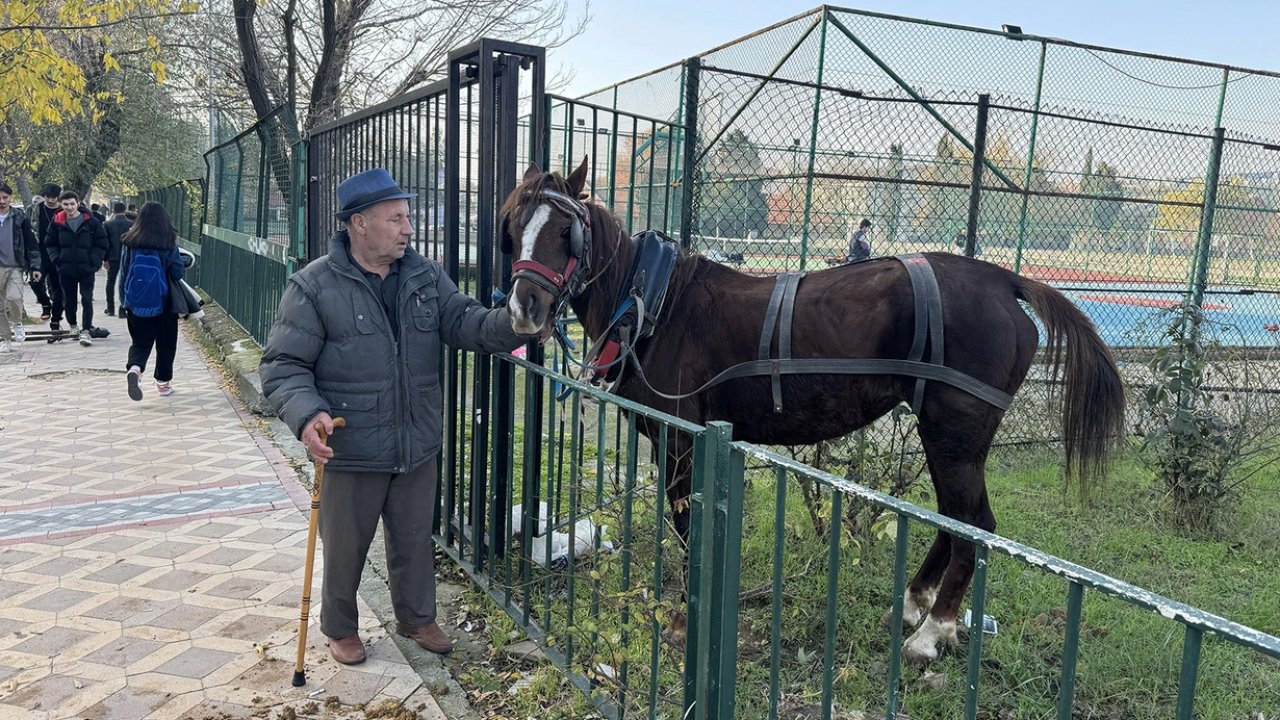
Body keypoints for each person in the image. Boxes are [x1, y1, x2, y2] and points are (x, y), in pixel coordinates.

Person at [260, 168, 532, 665]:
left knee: (412, 540)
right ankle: (340, 627)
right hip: (351, 445)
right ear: (359, 224)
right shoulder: (314, 285)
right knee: (345, 548)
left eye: (408, 218)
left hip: (415, 438)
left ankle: (416, 617)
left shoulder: (425, 276)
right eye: (398, 219)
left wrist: (517, 322)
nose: (409, 228)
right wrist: (306, 416)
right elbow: (283, 366)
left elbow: (466, 321)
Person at [119, 202, 186, 400]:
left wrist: (124, 301)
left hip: (136, 301)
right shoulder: (168, 241)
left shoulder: (130, 241)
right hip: (164, 302)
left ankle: (135, 369)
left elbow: (124, 273)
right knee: (166, 343)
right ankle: (163, 384)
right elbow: (177, 271)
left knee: (140, 341)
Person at [46, 190, 108, 346]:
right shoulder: (57, 222)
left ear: (78, 203)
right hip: (66, 268)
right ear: (61, 204)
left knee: (87, 299)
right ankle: (73, 326)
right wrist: (57, 259)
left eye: (72, 204)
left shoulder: (91, 222)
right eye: (65, 204)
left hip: (86, 268)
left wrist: (94, 260)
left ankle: (86, 330)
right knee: (70, 300)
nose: (69, 207)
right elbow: (50, 243)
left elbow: (102, 243)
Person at [0, 183, 41, 353]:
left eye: (4, 197)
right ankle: (5, 338)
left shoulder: (19, 217)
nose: (1, 201)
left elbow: (31, 244)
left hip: (16, 266)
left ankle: (17, 323)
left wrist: (35, 267)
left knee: (14, 298)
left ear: (10, 198)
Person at [32, 183, 64, 326]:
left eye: (53, 198)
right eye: (47, 197)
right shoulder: (36, 209)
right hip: (40, 252)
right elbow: (30, 228)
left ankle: (56, 319)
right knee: (34, 281)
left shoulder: (64, 210)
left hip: (59, 253)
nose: (50, 200)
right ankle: (45, 304)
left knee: (59, 287)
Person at [104, 201, 133, 317]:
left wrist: (105, 259)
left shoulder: (107, 224)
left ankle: (110, 308)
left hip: (113, 256)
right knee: (126, 281)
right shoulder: (131, 223)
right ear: (124, 210)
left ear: (113, 211)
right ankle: (123, 307)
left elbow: (105, 243)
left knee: (110, 281)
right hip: (129, 256)